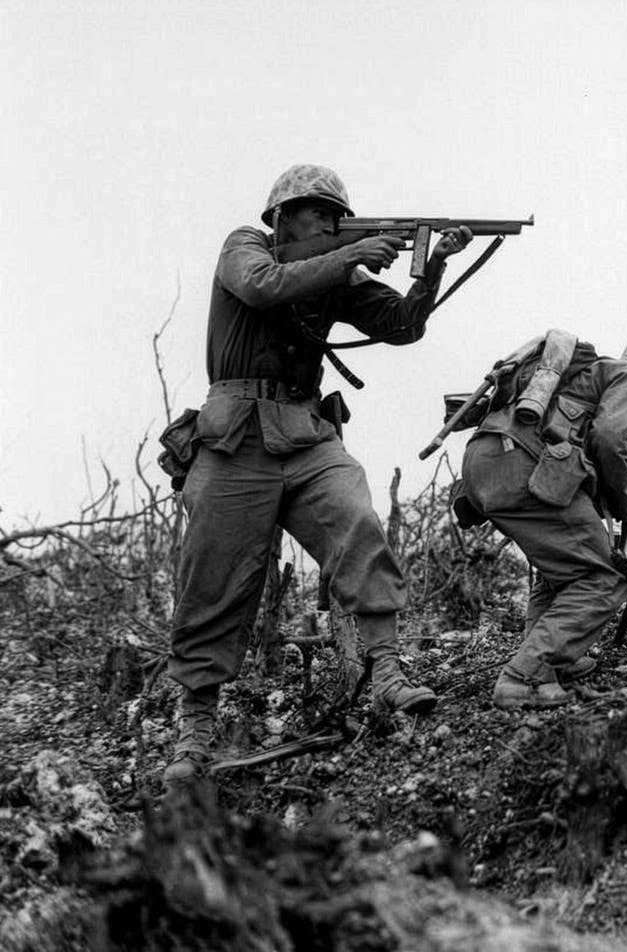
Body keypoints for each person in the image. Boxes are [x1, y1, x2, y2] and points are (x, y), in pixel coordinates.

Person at [162, 164, 473, 785]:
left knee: (356, 521)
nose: (329, 221)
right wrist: (351, 251)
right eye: (315, 212)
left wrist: (432, 262)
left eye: (337, 213)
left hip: (305, 435)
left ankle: (385, 668)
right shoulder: (245, 245)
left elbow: (402, 326)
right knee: (213, 579)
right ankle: (194, 735)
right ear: (280, 216)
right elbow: (260, 285)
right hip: (234, 441)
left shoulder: (336, 271)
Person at [454, 323, 627, 709]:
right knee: (604, 575)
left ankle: (551, 658)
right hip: (522, 464)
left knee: (565, 568)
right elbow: (608, 437)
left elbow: (584, 449)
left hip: (485, 462)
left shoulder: (591, 380)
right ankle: (528, 675)